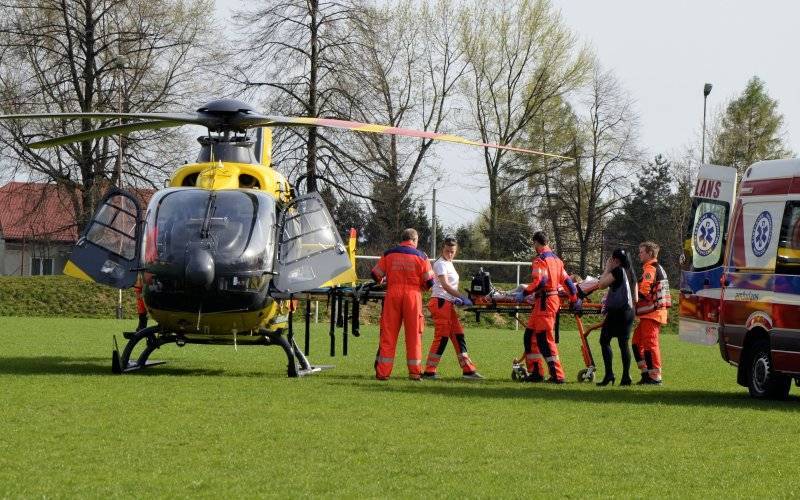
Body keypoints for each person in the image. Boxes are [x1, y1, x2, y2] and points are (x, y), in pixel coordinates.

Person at [514, 231, 580, 384]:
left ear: (536, 243)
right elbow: (568, 282)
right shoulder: (557, 260)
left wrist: (524, 292)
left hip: (545, 302)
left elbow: (540, 281)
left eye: (534, 244)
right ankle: (536, 372)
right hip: (546, 301)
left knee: (544, 339)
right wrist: (574, 298)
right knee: (530, 337)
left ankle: (557, 375)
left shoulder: (540, 260)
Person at [371, 228, 435, 381]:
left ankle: (383, 373)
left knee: (388, 334)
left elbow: (375, 275)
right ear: (414, 240)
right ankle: (414, 372)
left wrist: (385, 281)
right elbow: (429, 282)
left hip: (392, 295)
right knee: (414, 335)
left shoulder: (389, 253)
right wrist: (421, 287)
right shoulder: (422, 256)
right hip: (413, 296)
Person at [422, 236, 483, 380]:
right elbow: (445, 286)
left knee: (458, 335)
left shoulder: (449, 262)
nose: (450, 253)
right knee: (442, 337)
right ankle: (429, 371)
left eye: (452, 251)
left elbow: (448, 287)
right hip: (441, 303)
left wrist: (456, 298)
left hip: (447, 303)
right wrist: (461, 297)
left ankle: (468, 370)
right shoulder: (441, 264)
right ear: (443, 248)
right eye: (448, 250)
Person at [579, 249, 637, 386]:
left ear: (615, 260)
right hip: (629, 311)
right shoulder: (630, 272)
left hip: (618, 312)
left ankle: (609, 374)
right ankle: (626, 378)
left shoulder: (617, 271)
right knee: (623, 344)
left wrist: (607, 269)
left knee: (604, 340)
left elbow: (601, 285)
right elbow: (635, 295)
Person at [633, 241, 669, 385]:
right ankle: (646, 374)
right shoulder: (653, 267)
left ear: (649, 253)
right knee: (636, 343)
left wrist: (630, 299)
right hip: (650, 313)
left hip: (652, 313)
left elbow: (643, 291)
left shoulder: (650, 269)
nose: (639, 254)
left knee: (650, 345)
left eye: (641, 252)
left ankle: (655, 376)